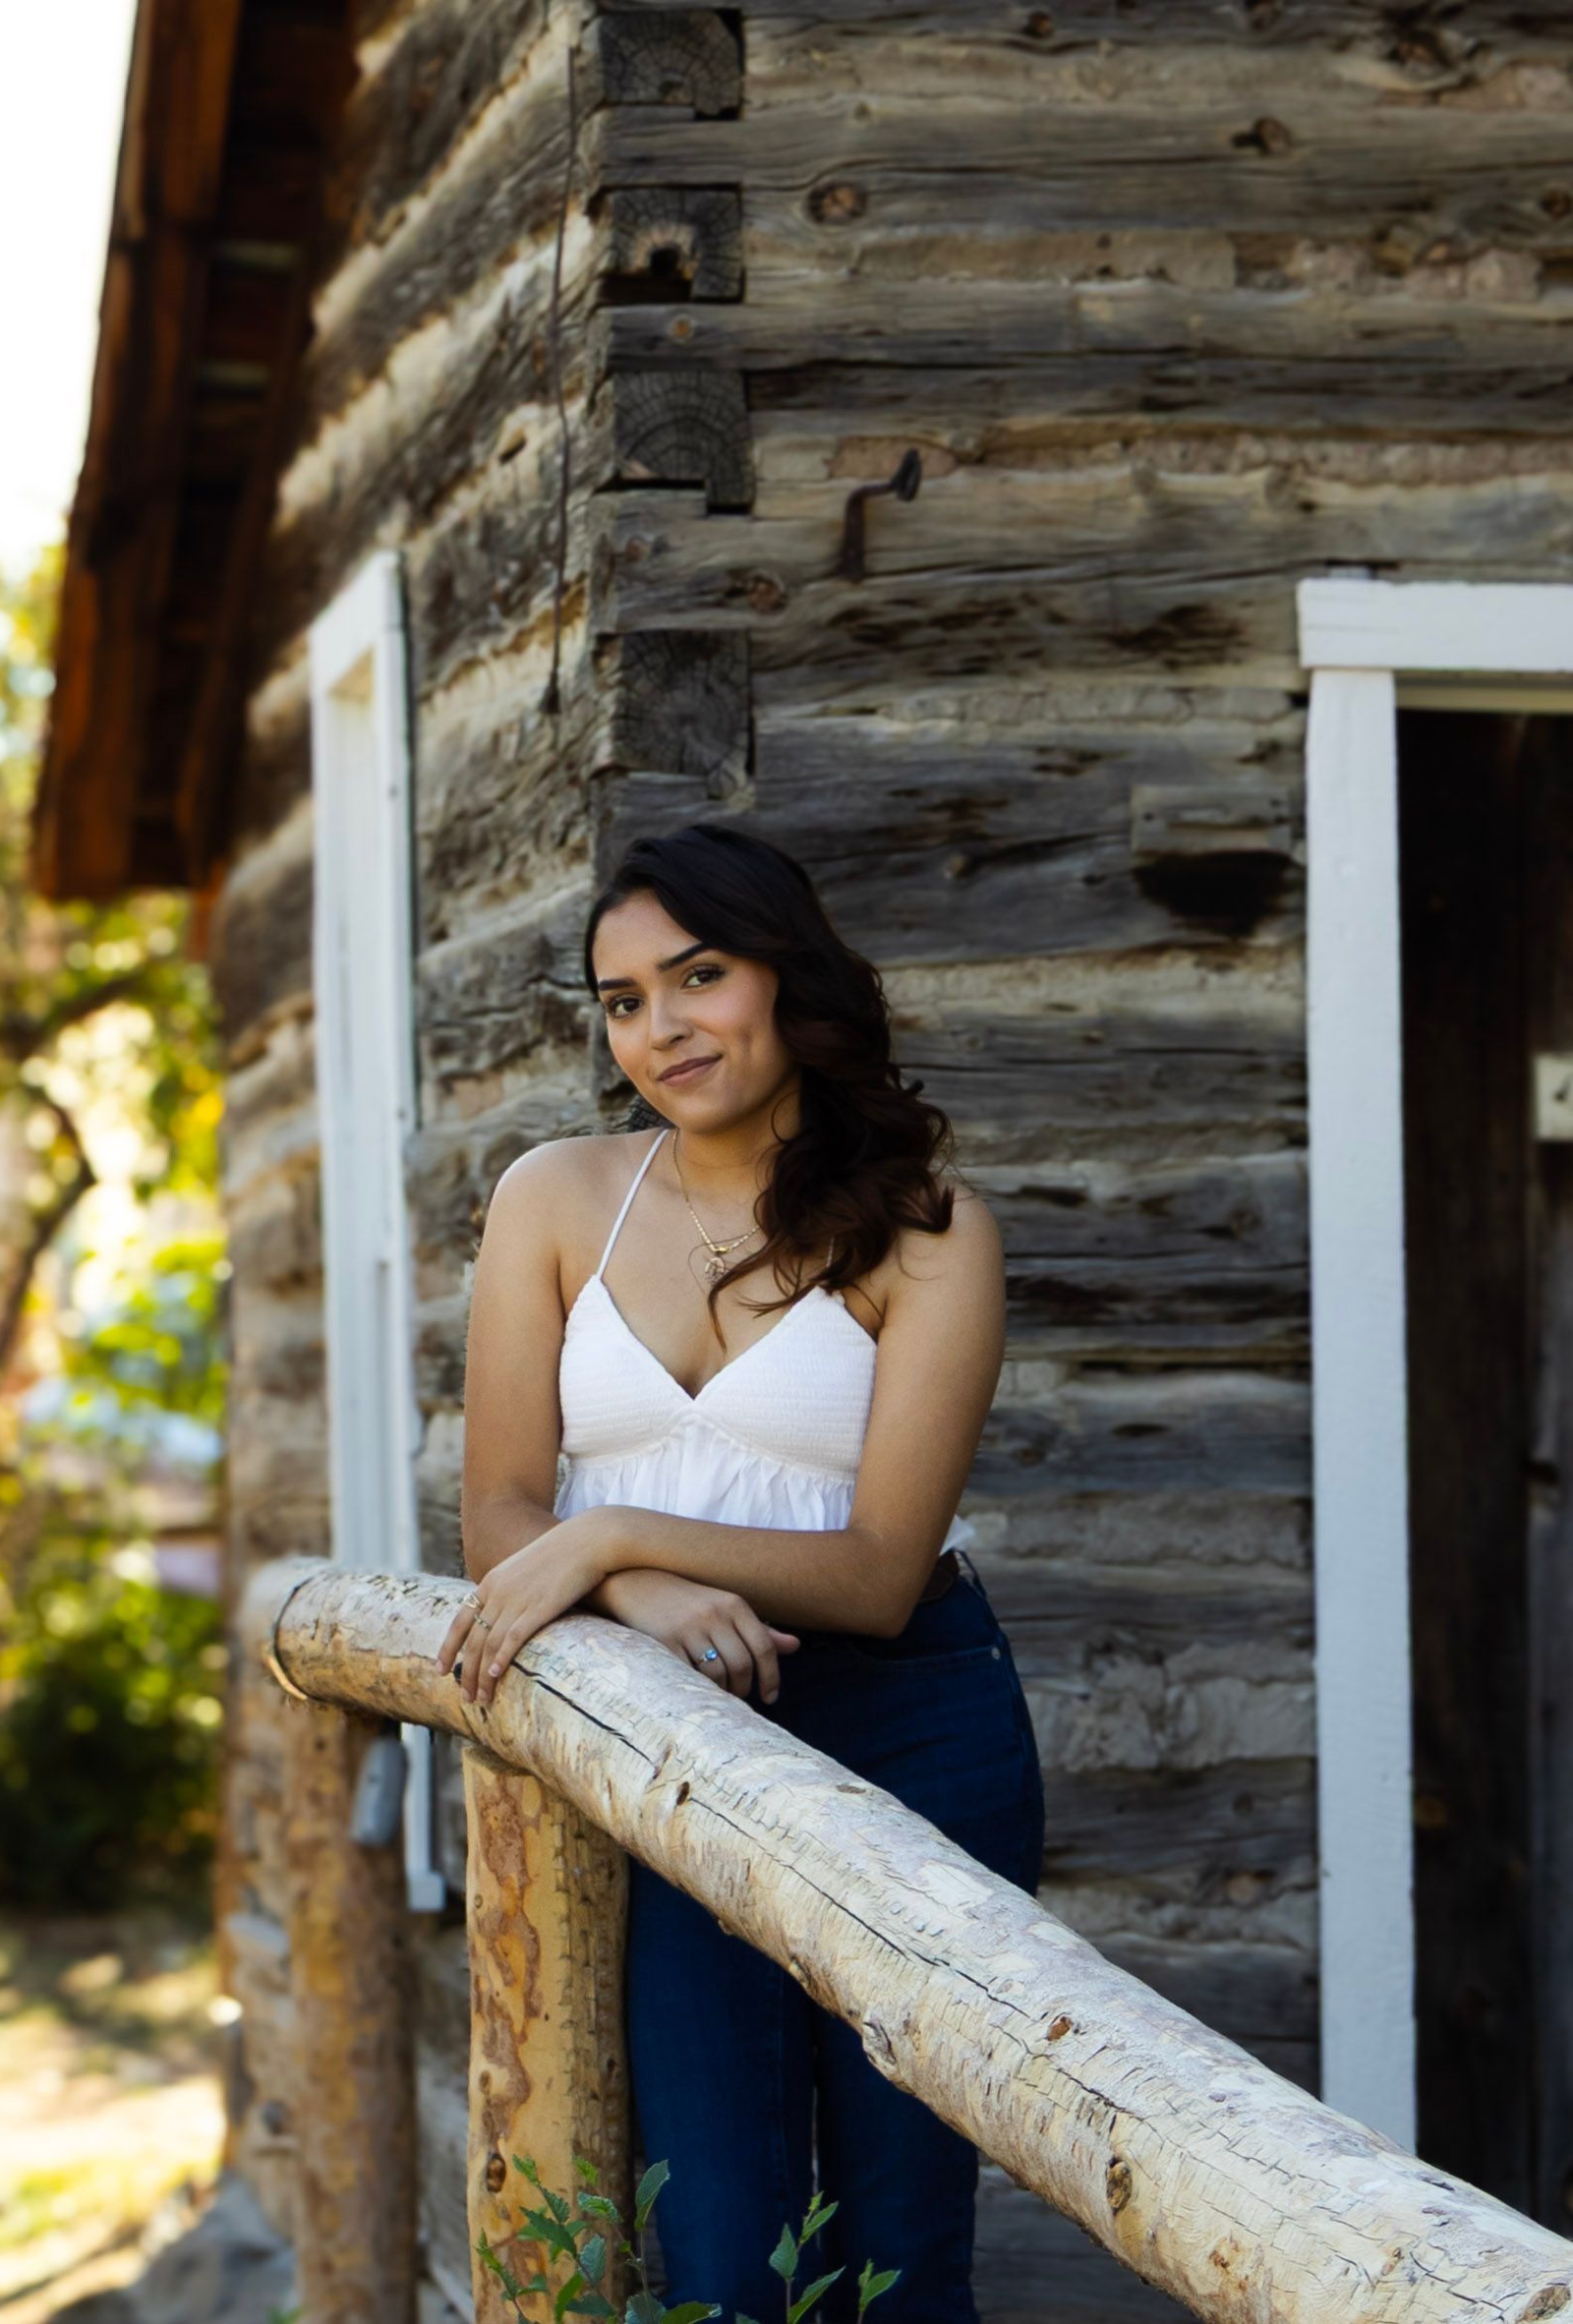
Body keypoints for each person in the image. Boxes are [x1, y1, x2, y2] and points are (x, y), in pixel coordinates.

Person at [436, 821, 1045, 2323]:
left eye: (696, 977)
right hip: (669, 1734)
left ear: (785, 978)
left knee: (901, 2256)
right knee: (722, 2249)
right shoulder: (558, 1197)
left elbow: (879, 1572)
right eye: (622, 1000)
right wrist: (630, 1593)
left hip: (906, 1728)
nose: (659, 1029)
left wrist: (619, 1534)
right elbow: (501, 1510)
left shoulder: (930, 1232)